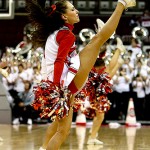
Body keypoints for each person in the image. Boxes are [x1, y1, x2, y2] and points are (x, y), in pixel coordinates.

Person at [26, 0, 136, 150]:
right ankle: (121, 4)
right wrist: (58, 87)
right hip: (65, 83)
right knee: (97, 40)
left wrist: (56, 87)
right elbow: (59, 61)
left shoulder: (57, 33)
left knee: (62, 131)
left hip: (60, 83)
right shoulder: (65, 34)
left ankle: (44, 148)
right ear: (64, 16)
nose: (77, 11)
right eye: (73, 9)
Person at [77, 37, 125, 145]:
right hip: (93, 84)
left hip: (94, 83)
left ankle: (93, 135)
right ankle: (92, 136)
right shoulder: (94, 51)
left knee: (99, 115)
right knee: (100, 115)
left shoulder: (97, 52)